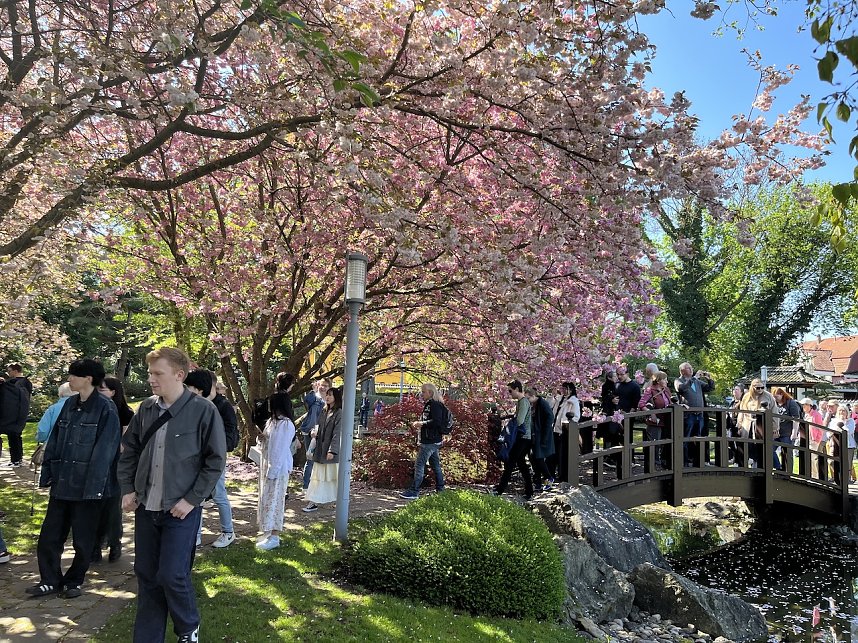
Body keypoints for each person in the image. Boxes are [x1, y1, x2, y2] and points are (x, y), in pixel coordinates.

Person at [117, 347, 225, 643]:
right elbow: (129, 453)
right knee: (147, 576)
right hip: (146, 507)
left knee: (172, 575)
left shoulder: (204, 410)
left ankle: (188, 628)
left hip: (181, 510)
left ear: (180, 375)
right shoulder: (147, 408)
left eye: (157, 374)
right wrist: (127, 489)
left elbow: (215, 461)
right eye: (150, 373)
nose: (151, 379)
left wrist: (191, 499)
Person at [26, 359, 121, 599]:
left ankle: (74, 580)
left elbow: (105, 452)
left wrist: (94, 489)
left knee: (83, 539)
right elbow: (56, 440)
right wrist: (49, 475)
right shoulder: (69, 404)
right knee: (50, 536)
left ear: (88, 378)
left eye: (73, 375)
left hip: (88, 487)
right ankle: (49, 579)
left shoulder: (106, 409)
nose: (69, 379)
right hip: (63, 483)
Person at [185, 369, 236, 549]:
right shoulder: (192, 405)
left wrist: (217, 450)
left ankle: (228, 532)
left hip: (215, 459)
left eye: (189, 386)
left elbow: (231, 436)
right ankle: (196, 534)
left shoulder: (221, 407)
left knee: (218, 494)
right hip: (196, 459)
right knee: (197, 497)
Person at [92, 376, 135, 563]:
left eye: (102, 390)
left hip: (116, 464)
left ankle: (114, 542)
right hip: (95, 464)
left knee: (112, 507)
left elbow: (125, 444)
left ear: (113, 392)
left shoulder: (125, 413)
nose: (98, 393)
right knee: (94, 506)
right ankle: (95, 544)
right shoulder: (94, 410)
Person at [256, 392, 296, 550]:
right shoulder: (273, 422)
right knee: (267, 500)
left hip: (277, 468)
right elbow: (269, 443)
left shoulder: (285, 424)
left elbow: (279, 450)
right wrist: (262, 438)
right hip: (269, 465)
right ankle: (268, 532)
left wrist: (273, 470)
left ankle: (275, 536)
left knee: (276, 501)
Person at [400, 383, 450, 499]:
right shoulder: (431, 404)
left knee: (419, 464)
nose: (421, 394)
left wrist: (421, 423)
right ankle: (440, 489)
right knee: (435, 465)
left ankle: (414, 491)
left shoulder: (434, 405)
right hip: (433, 440)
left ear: (430, 393)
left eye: (423, 392)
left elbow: (436, 422)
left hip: (430, 441)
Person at [302, 386, 342, 513]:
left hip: (329, 453)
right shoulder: (324, 411)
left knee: (330, 478)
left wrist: (332, 450)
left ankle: (331, 501)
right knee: (318, 477)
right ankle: (314, 501)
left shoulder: (339, 413)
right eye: (327, 395)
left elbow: (337, 433)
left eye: (331, 395)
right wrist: (314, 432)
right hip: (320, 450)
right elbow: (318, 426)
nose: (328, 397)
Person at [494, 380, 534, 500]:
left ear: (517, 389)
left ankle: (500, 489)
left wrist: (511, 423)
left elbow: (520, 421)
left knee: (511, 462)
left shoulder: (523, 402)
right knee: (521, 463)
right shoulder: (523, 402)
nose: (510, 394)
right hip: (525, 437)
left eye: (510, 391)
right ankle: (529, 491)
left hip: (522, 437)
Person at [674, 362, 714, 467]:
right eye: (688, 368)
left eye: (691, 367)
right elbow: (682, 388)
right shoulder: (679, 381)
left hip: (699, 415)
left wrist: (709, 379)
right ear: (682, 371)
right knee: (685, 440)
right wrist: (695, 377)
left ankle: (698, 462)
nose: (691, 369)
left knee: (698, 440)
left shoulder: (697, 382)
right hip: (688, 415)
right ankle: (684, 463)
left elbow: (710, 388)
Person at [0, 362, 33, 467]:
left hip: (14, 414)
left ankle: (16, 460)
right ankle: (16, 459)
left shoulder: (19, 383)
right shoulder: (25, 383)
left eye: (9, 371)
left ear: (15, 371)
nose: (8, 373)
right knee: (15, 436)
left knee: (14, 436)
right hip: (19, 414)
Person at [737, 379, 776, 468]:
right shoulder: (746, 396)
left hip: (762, 425)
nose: (760, 390)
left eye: (762, 387)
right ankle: (744, 467)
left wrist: (775, 427)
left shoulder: (768, 396)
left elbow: (775, 412)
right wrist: (739, 425)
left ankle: (761, 467)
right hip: (748, 424)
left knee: (762, 447)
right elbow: (742, 411)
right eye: (758, 388)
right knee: (746, 446)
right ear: (753, 387)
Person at [637, 371, 672, 468]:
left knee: (665, 442)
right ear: (658, 380)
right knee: (654, 443)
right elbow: (641, 404)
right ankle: (653, 465)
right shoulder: (650, 390)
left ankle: (663, 462)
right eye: (664, 379)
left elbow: (671, 403)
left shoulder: (667, 390)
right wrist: (651, 413)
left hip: (667, 420)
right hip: (655, 421)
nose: (667, 381)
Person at [299, 377, 326, 490]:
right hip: (309, 431)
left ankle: (318, 486)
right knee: (310, 458)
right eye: (322, 385)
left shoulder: (329, 400)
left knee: (321, 460)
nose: (323, 388)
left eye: (326, 385)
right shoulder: (314, 397)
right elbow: (307, 400)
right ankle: (306, 486)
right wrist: (314, 391)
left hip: (323, 432)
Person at [548, 382, 580, 481]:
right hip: (554, 429)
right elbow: (550, 405)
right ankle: (551, 475)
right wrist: (552, 395)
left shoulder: (573, 401)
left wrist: (566, 424)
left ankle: (563, 476)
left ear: (571, 390)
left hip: (564, 431)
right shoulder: (560, 399)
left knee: (562, 455)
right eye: (563, 389)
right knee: (552, 454)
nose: (564, 391)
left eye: (566, 389)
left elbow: (576, 417)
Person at [526, 387, 555, 491]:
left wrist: (545, 435)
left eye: (528, 398)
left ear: (533, 396)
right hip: (534, 435)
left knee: (538, 458)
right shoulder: (533, 405)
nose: (527, 401)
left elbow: (550, 417)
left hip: (541, 435)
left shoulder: (542, 404)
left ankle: (548, 478)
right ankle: (538, 482)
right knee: (534, 458)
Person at [772, 387, 801, 472]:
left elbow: (796, 418)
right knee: (769, 449)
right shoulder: (775, 404)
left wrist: (794, 432)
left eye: (776, 396)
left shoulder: (791, 403)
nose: (775, 399)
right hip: (776, 432)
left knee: (787, 453)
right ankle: (778, 467)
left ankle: (788, 472)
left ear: (781, 394)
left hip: (787, 432)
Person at [598, 369, 622, 468]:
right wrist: (612, 399)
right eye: (615, 376)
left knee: (612, 435)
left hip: (613, 412)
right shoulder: (607, 386)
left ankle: (611, 456)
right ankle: (608, 457)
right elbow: (605, 398)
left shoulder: (615, 386)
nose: (617, 378)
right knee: (610, 434)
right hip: (609, 413)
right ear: (609, 377)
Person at [800, 397, 826, 480]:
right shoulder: (805, 415)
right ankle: (808, 475)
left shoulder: (816, 414)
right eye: (802, 405)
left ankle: (814, 476)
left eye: (805, 405)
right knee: (807, 457)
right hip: (806, 439)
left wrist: (817, 439)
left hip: (813, 439)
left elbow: (820, 428)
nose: (803, 407)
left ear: (810, 406)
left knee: (812, 457)